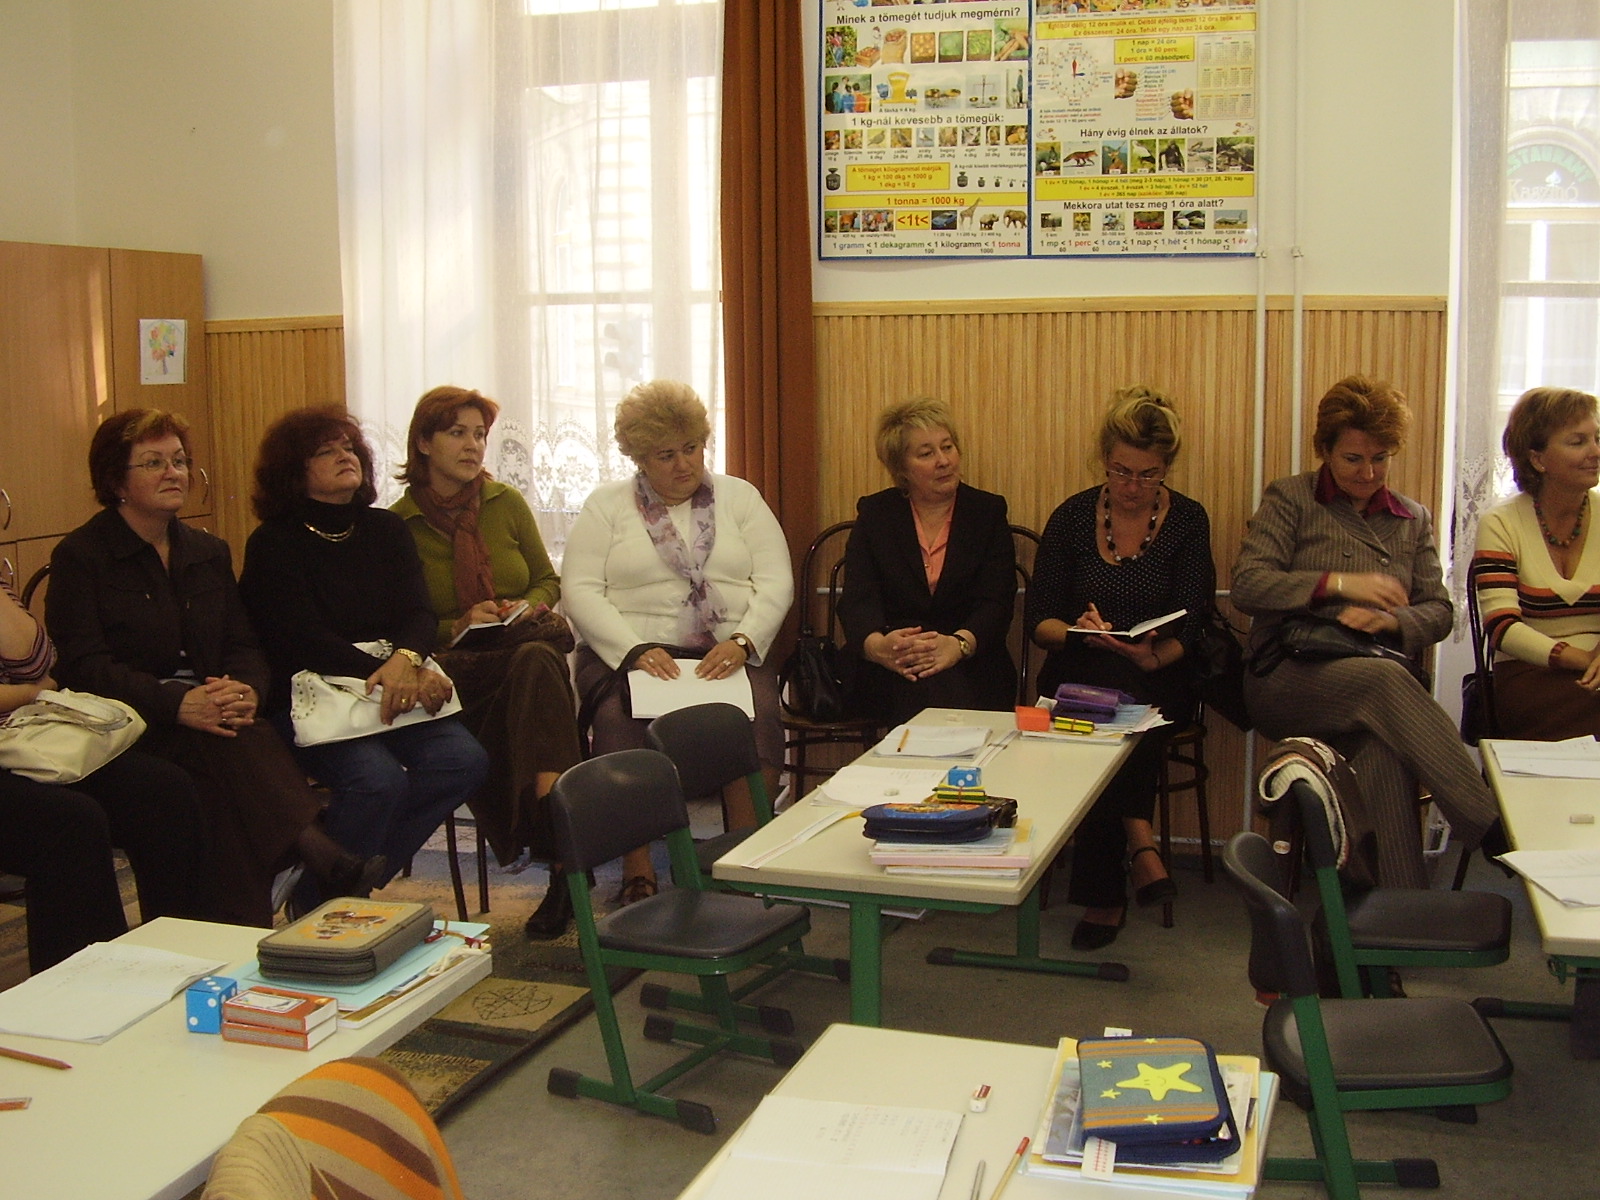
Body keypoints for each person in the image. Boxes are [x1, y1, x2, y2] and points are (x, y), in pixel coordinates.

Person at [47, 409, 381, 928]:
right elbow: (83, 667)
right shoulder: (82, 556)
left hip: (214, 715)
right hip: (131, 721)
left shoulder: (206, 551)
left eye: (180, 461)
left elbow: (243, 642)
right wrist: (176, 703)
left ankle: (261, 907)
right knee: (232, 752)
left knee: (233, 751)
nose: (173, 473)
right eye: (154, 463)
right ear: (115, 480)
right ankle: (315, 854)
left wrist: (247, 688)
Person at [1232, 376, 1498, 888]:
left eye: (1381, 458)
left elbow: (1439, 611)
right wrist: (1335, 583)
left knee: (1383, 754)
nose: (1369, 473)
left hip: (1374, 682)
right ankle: (1489, 826)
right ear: (1325, 450)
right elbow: (1247, 585)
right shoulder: (1291, 499)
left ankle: (1397, 911)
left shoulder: (1411, 518)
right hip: (1287, 677)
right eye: (1353, 458)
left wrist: (1393, 622)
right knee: (1386, 682)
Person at [239, 406, 489, 914]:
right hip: (314, 694)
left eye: (349, 447)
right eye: (325, 451)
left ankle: (331, 886)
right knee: (377, 781)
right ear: (293, 471)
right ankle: (329, 896)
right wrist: (393, 674)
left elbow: (418, 612)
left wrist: (407, 661)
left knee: (463, 761)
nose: (344, 456)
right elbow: (299, 638)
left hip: (392, 680)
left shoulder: (385, 529)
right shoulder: (273, 542)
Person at [562, 380, 793, 904]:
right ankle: (638, 870)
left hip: (728, 650)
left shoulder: (741, 498)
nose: (684, 464)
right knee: (619, 718)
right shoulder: (606, 506)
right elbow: (579, 590)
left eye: (691, 448)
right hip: (630, 653)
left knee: (756, 713)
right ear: (640, 458)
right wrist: (632, 650)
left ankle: (741, 858)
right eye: (666, 455)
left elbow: (776, 580)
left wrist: (744, 640)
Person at [391, 385, 584, 939]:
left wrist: (527, 606)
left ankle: (558, 861)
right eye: (458, 433)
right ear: (423, 443)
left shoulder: (506, 503)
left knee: (535, 661)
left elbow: (546, 579)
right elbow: (397, 622)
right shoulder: (399, 524)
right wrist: (457, 624)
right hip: (451, 670)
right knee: (537, 671)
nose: (473, 446)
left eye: (479, 434)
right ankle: (564, 855)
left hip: (518, 651)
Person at [1026, 387, 1215, 949]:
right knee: (1103, 699)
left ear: (1167, 468)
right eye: (1121, 472)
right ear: (1103, 461)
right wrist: (1080, 631)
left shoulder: (1188, 520)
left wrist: (1153, 653)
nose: (1133, 487)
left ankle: (1104, 894)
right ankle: (1139, 838)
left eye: (1148, 475)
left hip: (1161, 670)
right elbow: (1039, 621)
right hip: (1079, 665)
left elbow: (1195, 620)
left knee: (1117, 703)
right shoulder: (1071, 516)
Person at [0, 583, 207, 972]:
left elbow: (36, 662)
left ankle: (183, 959)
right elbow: (38, 684)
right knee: (69, 821)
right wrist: (29, 694)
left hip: (19, 739)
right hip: (16, 741)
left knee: (161, 790)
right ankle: (84, 984)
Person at [839, 398, 1016, 726]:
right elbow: (857, 600)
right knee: (922, 683)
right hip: (893, 664)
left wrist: (958, 645)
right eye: (926, 454)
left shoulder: (986, 512)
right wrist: (880, 647)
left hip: (969, 661)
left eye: (947, 447)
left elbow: (997, 602)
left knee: (941, 687)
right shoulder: (876, 514)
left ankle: (922, 760)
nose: (943, 461)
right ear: (901, 468)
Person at [1472, 386, 1600, 739]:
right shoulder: (1501, 523)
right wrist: (1581, 659)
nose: (1595, 452)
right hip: (1529, 674)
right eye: (1578, 442)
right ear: (1538, 459)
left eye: (1597, 438)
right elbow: (1502, 628)